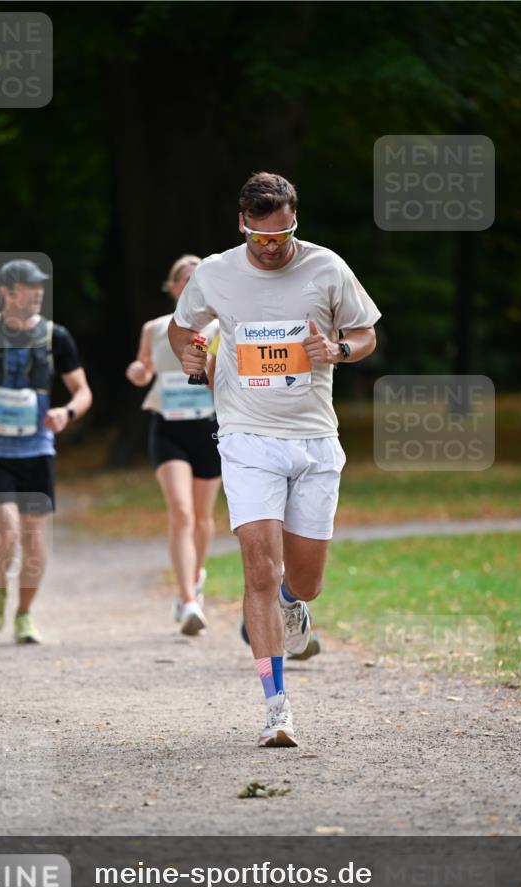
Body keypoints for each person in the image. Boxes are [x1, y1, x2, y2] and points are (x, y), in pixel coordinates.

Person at [169, 172, 380, 747]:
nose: (272, 247)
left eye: (283, 235)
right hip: (246, 436)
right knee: (260, 569)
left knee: (303, 582)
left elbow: (366, 335)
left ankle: (293, 606)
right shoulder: (214, 273)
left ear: (294, 223)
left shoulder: (327, 268)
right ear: (243, 224)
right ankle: (276, 706)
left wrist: (335, 349)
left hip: (313, 438)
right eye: (261, 238)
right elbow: (182, 327)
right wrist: (191, 360)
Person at [0, 259, 92, 644]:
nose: (36, 294)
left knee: (35, 539)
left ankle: (24, 614)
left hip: (37, 449)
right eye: (27, 287)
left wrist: (65, 413)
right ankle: (1, 588)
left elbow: (83, 392)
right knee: (8, 531)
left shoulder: (56, 337)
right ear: (6, 291)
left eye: (40, 288)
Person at [126, 255, 221, 635]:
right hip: (168, 428)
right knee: (180, 511)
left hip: (208, 428)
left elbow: (222, 382)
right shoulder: (154, 328)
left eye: (200, 277)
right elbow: (143, 367)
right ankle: (188, 601)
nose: (192, 282)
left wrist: (209, 363)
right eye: (185, 277)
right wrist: (138, 372)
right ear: (173, 287)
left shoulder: (220, 328)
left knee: (201, 518)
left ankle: (196, 575)